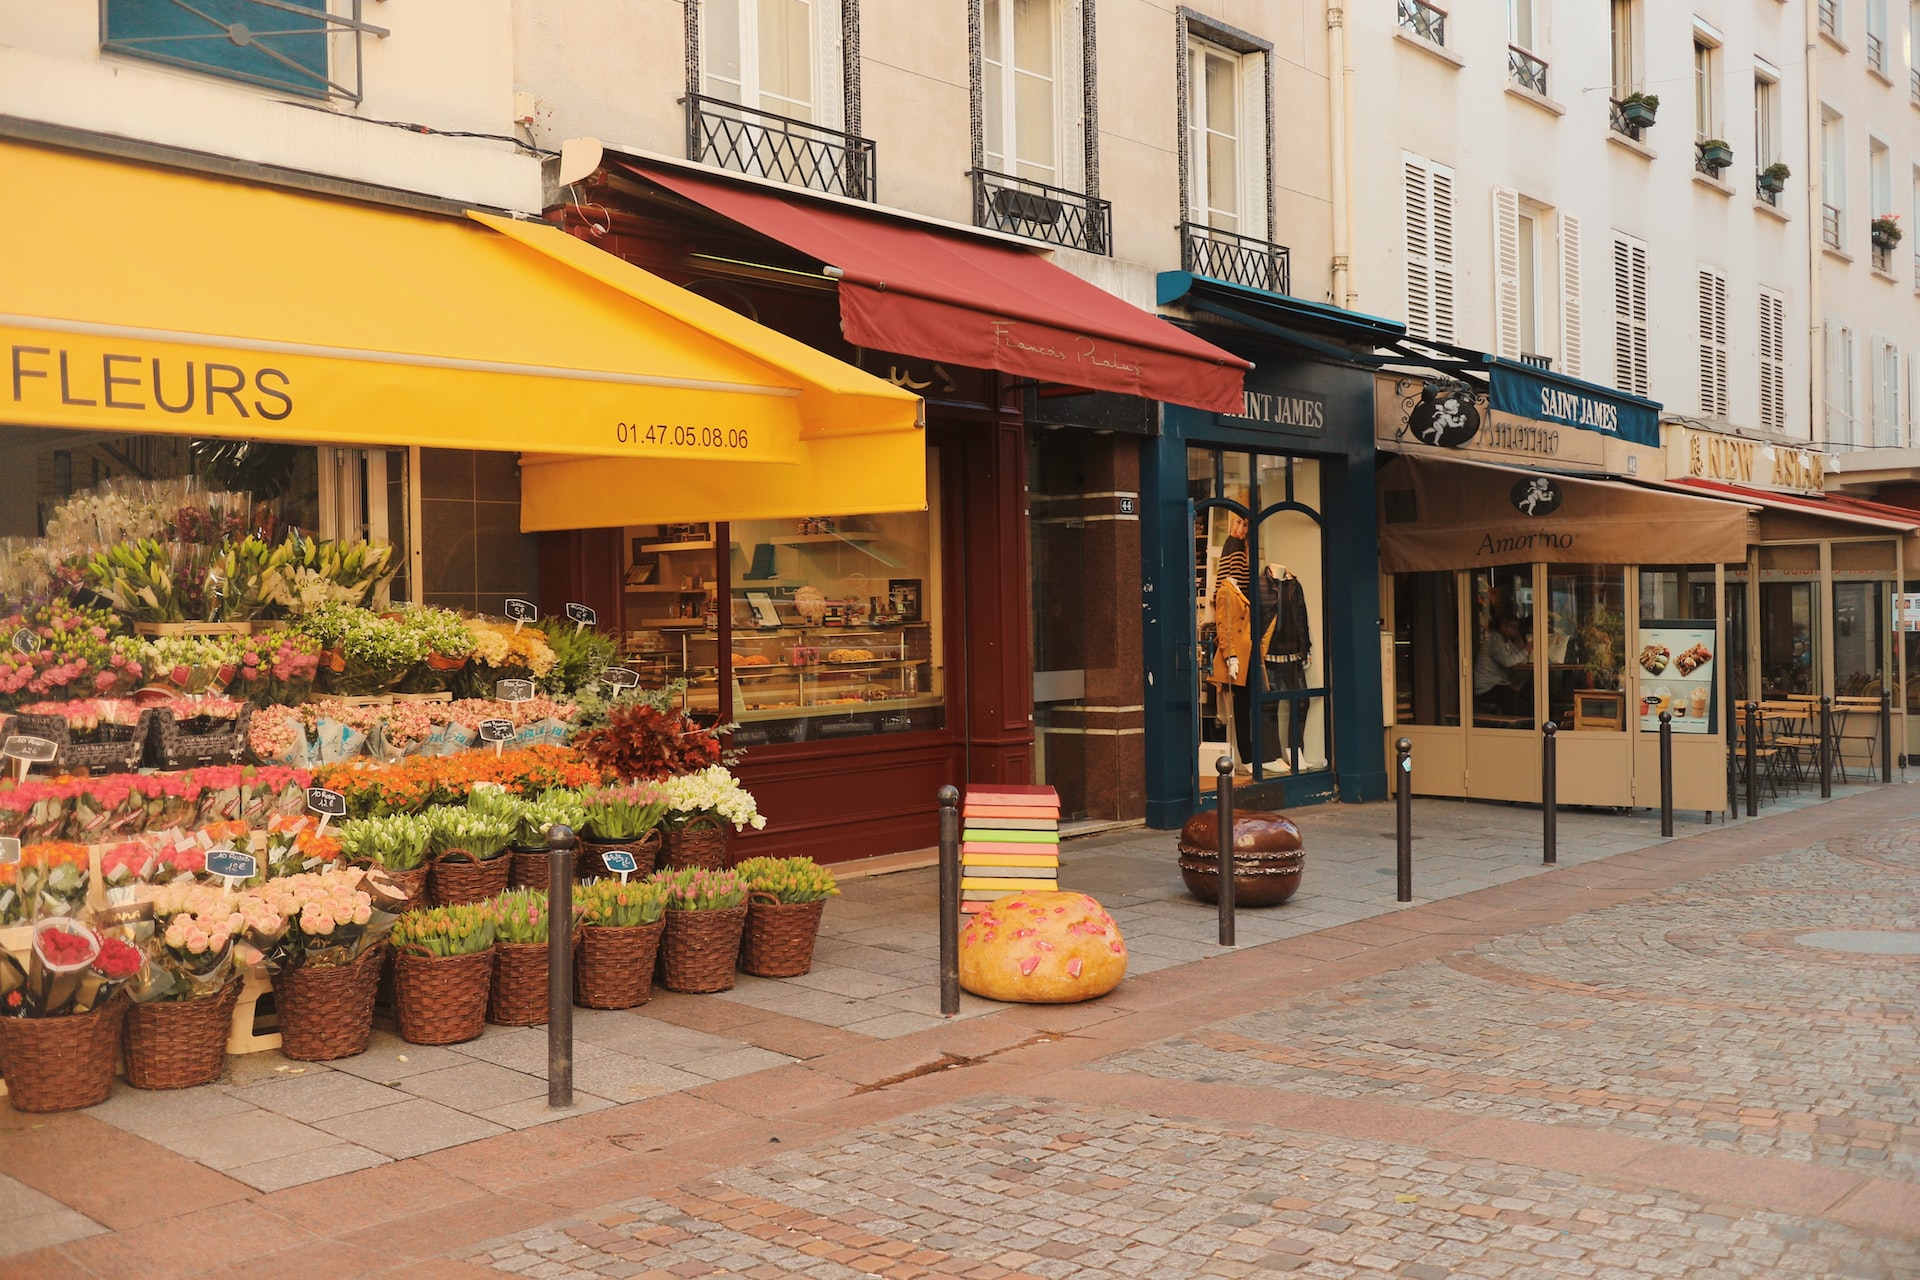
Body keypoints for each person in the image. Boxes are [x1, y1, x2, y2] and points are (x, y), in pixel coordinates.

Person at [1473, 614, 1533, 716]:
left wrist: (1520, 643)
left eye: (1517, 627)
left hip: (1499, 685)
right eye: (1513, 627)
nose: (1516, 630)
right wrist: (1526, 650)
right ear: (1503, 627)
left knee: (1523, 697)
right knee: (1520, 704)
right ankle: (1522, 726)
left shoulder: (1507, 641)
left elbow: (1521, 658)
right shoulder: (1494, 639)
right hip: (1487, 687)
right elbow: (1508, 661)